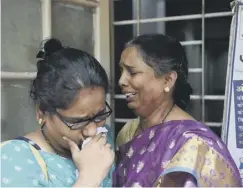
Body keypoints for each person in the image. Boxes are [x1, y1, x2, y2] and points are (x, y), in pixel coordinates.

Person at [113, 34, 241, 187]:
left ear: (168, 80)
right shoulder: (128, 133)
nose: (121, 81)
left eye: (132, 72)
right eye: (121, 71)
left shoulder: (196, 145)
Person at [1, 38, 115, 187]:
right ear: (41, 112)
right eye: (78, 122)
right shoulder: (14, 159)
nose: (93, 131)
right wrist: (89, 178)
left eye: (99, 115)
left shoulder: (105, 137)